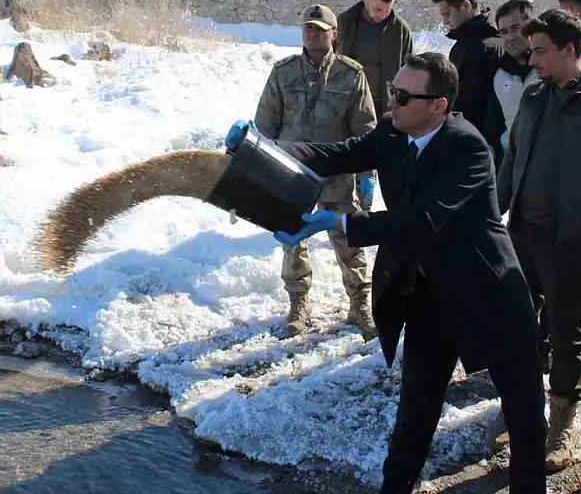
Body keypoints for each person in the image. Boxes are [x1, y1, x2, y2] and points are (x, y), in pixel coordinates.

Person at [228, 52, 547, 494]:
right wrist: (263, 148)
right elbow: (336, 154)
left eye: (402, 96)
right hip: (426, 294)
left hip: (486, 293)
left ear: (439, 105)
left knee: (525, 413)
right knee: (415, 413)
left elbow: (424, 218)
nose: (390, 104)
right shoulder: (392, 134)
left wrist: (342, 223)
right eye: (390, 93)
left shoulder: (467, 147)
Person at [497, 8, 581, 471]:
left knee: (567, 328)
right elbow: (512, 157)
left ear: (570, 50)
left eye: (540, 51)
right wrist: (492, 211)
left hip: (572, 238)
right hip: (523, 232)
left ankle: (562, 419)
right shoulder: (535, 96)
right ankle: (520, 407)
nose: (531, 58)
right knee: (517, 324)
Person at [251, 3, 377, 337]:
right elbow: (265, 124)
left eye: (320, 28)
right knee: (293, 241)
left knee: (349, 240)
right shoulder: (283, 72)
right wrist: (262, 168)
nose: (312, 32)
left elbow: (365, 128)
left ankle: (360, 304)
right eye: (308, 27)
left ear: (334, 34)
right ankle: (298, 304)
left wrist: (367, 173)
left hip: (337, 174)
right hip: (292, 174)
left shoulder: (351, 74)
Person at [484, 0, 581, 170]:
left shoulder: (562, 62)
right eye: (503, 32)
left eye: (516, 28)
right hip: (515, 166)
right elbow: (494, 126)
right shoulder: (499, 74)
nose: (510, 37)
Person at [337, 0, 414, 210]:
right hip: (345, 105)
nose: (383, 15)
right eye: (379, 9)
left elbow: (409, 69)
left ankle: (365, 208)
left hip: (382, 110)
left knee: (371, 165)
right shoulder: (344, 23)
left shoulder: (400, 30)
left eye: (388, 10)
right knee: (343, 160)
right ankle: (339, 210)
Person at [430, 0, 500, 135]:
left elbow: (470, 105)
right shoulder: (466, 42)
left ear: (466, 6)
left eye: (447, 14)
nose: (445, 22)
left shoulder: (483, 47)